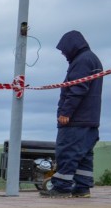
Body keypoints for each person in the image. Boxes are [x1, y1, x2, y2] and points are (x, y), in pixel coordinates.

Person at [41, 30, 103, 198]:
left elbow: (77, 89)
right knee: (83, 155)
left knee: (67, 152)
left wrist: (65, 112)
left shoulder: (82, 61)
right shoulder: (92, 58)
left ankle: (61, 187)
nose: (63, 53)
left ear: (71, 46)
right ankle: (82, 188)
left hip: (76, 119)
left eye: (63, 49)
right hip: (90, 119)